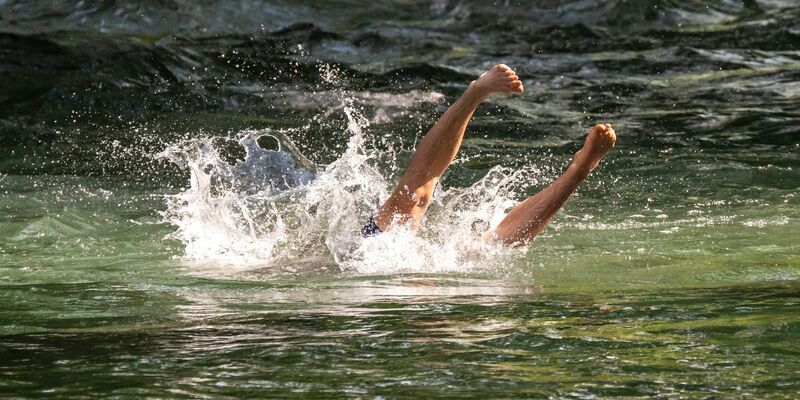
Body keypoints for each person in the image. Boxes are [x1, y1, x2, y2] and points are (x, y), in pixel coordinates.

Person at [362, 64, 616, 246]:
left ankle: (475, 92)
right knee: (493, 247)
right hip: (409, 281)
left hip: (368, 258)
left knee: (409, 202)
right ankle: (578, 172)